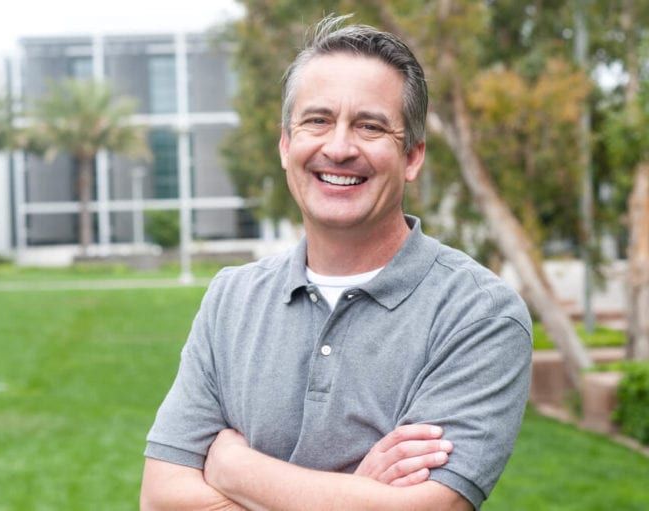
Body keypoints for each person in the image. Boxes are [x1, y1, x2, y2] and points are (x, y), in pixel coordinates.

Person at [141, 15, 531, 511]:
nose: (340, 148)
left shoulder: (478, 314)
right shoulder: (231, 298)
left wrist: (233, 468)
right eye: (317, 121)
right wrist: (354, 495)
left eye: (370, 126)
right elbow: (159, 497)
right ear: (286, 145)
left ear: (411, 156)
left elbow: (432, 507)